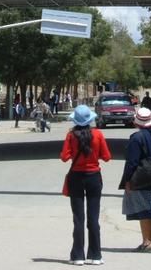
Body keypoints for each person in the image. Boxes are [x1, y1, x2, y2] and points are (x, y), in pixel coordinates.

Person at [60, 104, 112, 265]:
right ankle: (95, 255)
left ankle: (77, 256)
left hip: (76, 177)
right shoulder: (98, 134)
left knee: (78, 218)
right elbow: (107, 156)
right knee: (93, 218)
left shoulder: (71, 135)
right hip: (94, 177)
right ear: (90, 119)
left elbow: (64, 157)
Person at [119, 108, 151, 253]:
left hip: (142, 181)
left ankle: (146, 242)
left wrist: (127, 180)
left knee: (145, 210)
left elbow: (132, 162)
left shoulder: (136, 138)